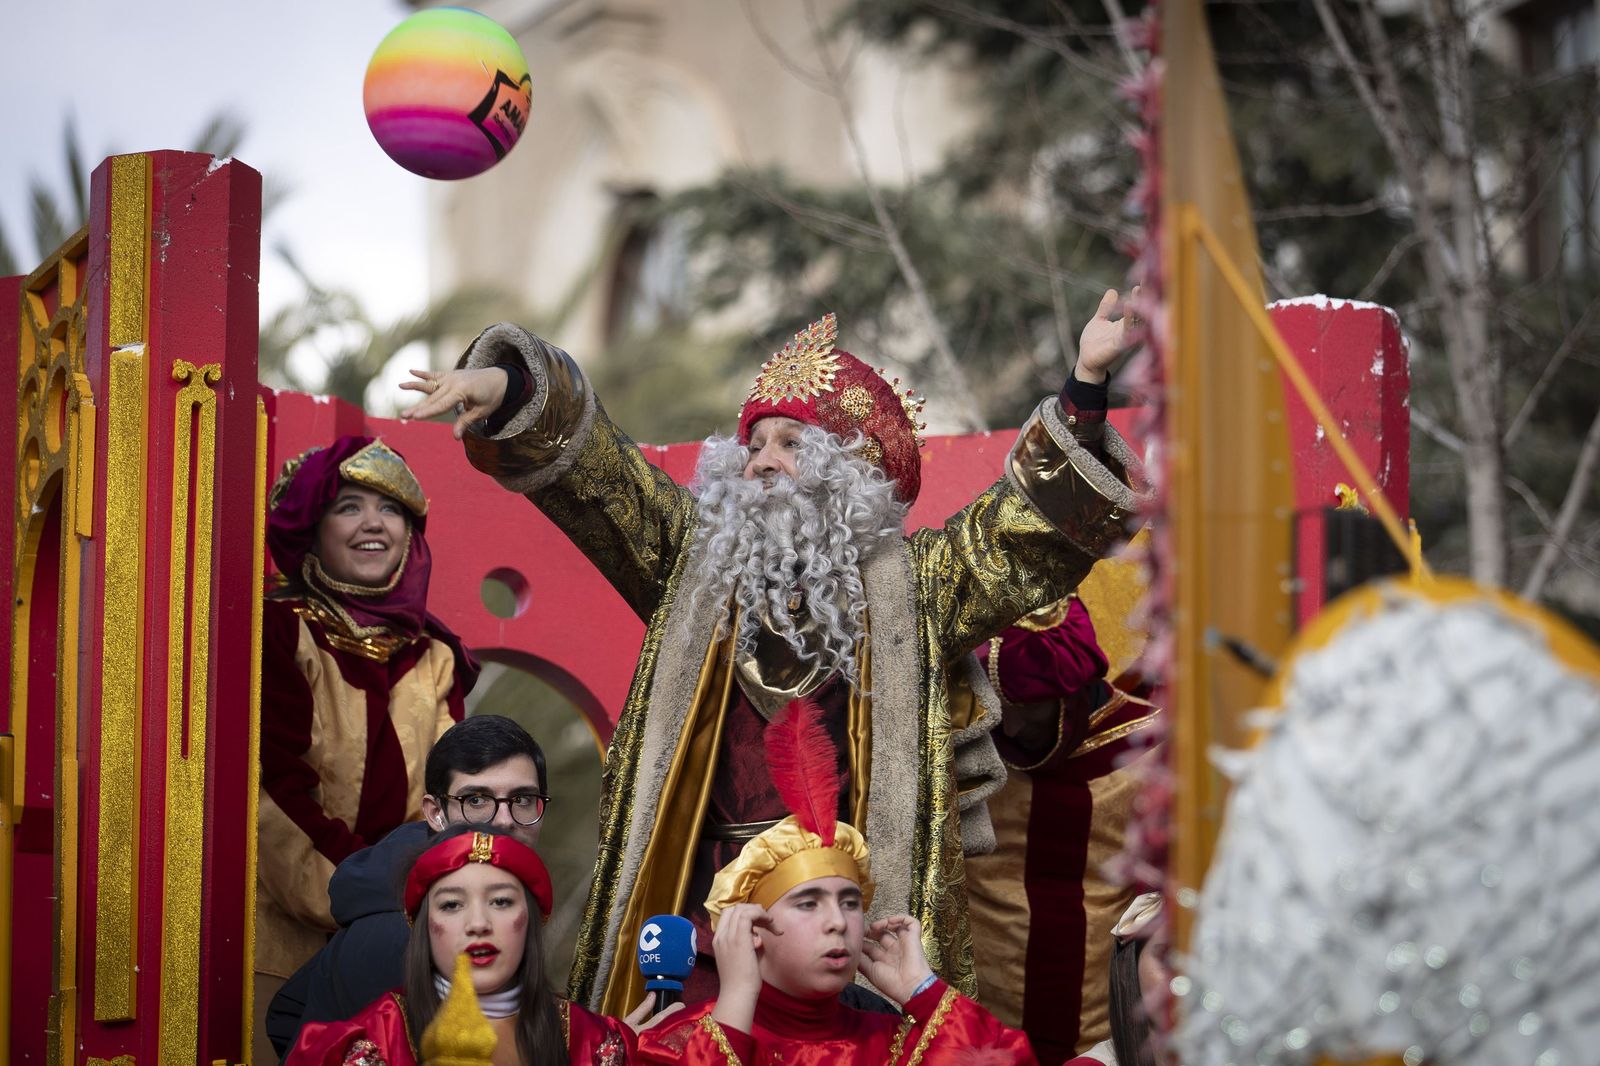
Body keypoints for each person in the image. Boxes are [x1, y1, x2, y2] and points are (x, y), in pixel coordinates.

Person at [402, 294, 1143, 1014]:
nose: (760, 463)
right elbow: (600, 476)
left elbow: (1024, 530)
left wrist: (1084, 387)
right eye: (752, 446)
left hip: (849, 928)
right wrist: (507, 387)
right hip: (702, 922)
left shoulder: (919, 588)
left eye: (790, 445)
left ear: (847, 473)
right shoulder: (690, 563)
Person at [255, 436, 479, 1056]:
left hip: (400, 945)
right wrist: (375, 897)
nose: (374, 523)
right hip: (286, 935)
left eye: (393, 508)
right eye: (349, 506)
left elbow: (449, 802)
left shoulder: (434, 655)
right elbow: (273, 786)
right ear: (314, 527)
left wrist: (415, 909)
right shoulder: (281, 629)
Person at [635, 810, 1038, 1063]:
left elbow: (1006, 1060)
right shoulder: (672, 1043)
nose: (839, 922)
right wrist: (738, 994)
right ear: (753, 928)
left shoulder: (899, 1046)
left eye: (849, 902)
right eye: (808, 903)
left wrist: (923, 989)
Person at [266, 714, 550, 1056]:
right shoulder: (402, 931)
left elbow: (287, 1011)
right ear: (435, 813)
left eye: (521, 799)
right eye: (476, 800)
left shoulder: (499, 904)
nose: (504, 821)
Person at [963, 595, 1162, 1063]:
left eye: (1026, 703)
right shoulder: (961, 742)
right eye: (994, 703)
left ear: (1072, 688)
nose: (1006, 726)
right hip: (973, 1037)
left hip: (1096, 1041)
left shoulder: (1152, 748)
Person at [286, 826, 636, 1065]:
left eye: (500, 902)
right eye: (452, 905)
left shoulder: (591, 1042)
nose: (478, 923)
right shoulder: (369, 1042)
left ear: (530, 920)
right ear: (424, 927)